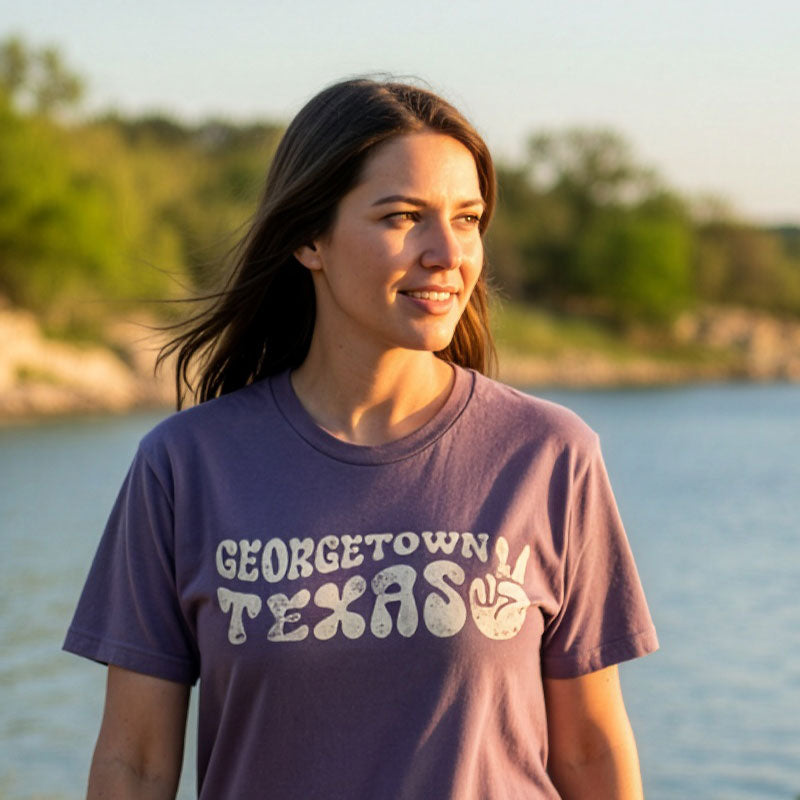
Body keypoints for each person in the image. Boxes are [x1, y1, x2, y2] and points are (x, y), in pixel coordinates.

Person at [64, 78, 658, 799]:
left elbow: (591, 751)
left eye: (468, 219)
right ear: (309, 239)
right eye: (404, 216)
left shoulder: (549, 456)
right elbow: (135, 763)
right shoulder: (185, 467)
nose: (448, 253)